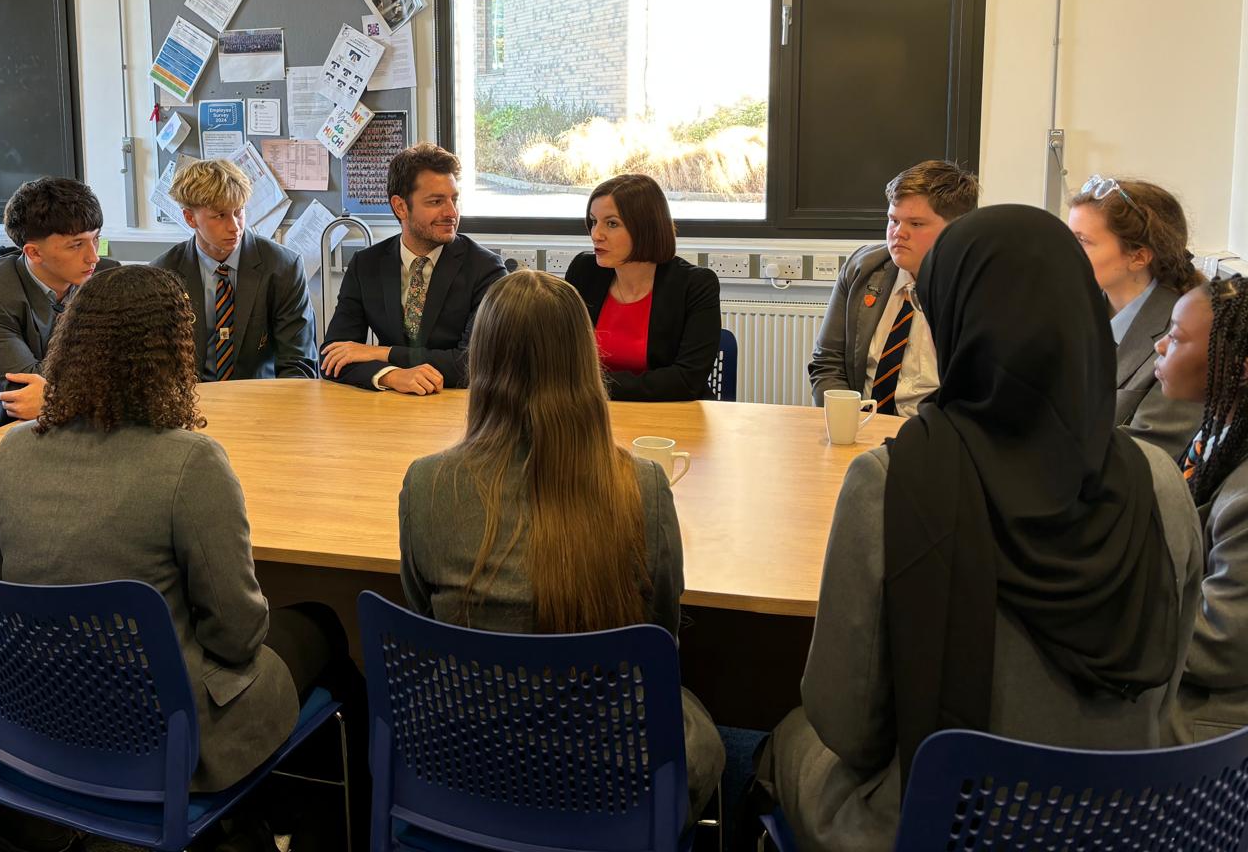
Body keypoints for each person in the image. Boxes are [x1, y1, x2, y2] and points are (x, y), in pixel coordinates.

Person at [760, 206, 1202, 852]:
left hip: (946, 823)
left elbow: (847, 725)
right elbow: (1167, 693)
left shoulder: (891, 483)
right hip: (1124, 820)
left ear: (954, 321)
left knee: (778, 743)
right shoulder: (1162, 483)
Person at [0, 264, 363, 799]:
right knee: (322, 625)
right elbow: (236, 635)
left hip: (40, 715)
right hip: (168, 735)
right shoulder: (190, 462)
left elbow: (3, 584)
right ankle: (291, 819)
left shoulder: (13, 450)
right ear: (173, 350)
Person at [397, 271, 723, 823]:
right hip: (611, 774)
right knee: (710, 736)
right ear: (585, 363)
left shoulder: (427, 484)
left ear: (481, 362)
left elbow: (422, 616)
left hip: (467, 763)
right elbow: (660, 634)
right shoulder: (640, 485)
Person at [320, 144, 505, 393]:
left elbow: (475, 364)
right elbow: (333, 358)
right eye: (436, 201)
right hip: (387, 408)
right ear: (400, 207)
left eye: (454, 199)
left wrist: (381, 353)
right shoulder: (366, 265)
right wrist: (391, 376)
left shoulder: (486, 269)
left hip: (457, 410)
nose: (451, 212)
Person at [0, 177, 118, 443]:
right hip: (1, 436)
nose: (93, 256)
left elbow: (133, 365)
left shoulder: (108, 276)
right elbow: (27, 391)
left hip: (85, 428)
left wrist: (61, 394)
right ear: (33, 253)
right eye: (76, 245)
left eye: (95, 239)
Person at [1153, 275, 1248, 742]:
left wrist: (1110, 614)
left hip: (1212, 730)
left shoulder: (1245, 497)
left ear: (1240, 368)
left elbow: (1219, 646)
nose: (1159, 346)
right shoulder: (1217, 435)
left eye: (1177, 337)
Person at [807, 159, 978, 416]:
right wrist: (848, 420)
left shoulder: (978, 287)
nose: (898, 233)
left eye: (916, 224)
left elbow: (981, 391)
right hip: (862, 425)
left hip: (937, 435)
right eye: (893, 220)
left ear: (957, 229)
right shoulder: (863, 269)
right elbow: (827, 364)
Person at [1067, 174, 1204, 461]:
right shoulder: (1075, 311)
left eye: (1082, 241)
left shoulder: (1185, 339)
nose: (1067, 253)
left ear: (1138, 257)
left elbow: (1150, 454)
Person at [151, 158, 317, 380]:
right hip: (192, 400)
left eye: (238, 212)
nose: (235, 227)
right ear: (190, 218)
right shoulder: (163, 274)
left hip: (262, 400)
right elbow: (157, 365)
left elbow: (298, 362)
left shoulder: (283, 267)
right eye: (220, 215)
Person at [564, 173, 722, 401]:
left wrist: (592, 386)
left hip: (671, 415)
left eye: (611, 223)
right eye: (593, 221)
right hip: (595, 415)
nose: (596, 234)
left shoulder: (695, 285)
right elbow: (561, 357)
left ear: (645, 228)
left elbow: (687, 380)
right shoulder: (584, 271)